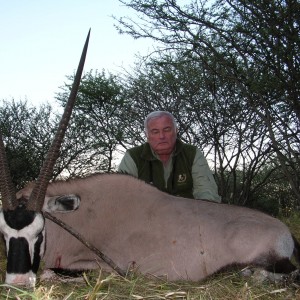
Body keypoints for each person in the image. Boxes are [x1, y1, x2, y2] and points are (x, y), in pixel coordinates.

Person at [118, 111, 221, 202]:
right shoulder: (133, 156)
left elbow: (207, 192)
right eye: (155, 132)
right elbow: (123, 196)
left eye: (167, 130)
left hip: (187, 216)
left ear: (176, 131)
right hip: (146, 218)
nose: (162, 136)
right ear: (147, 135)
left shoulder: (192, 153)